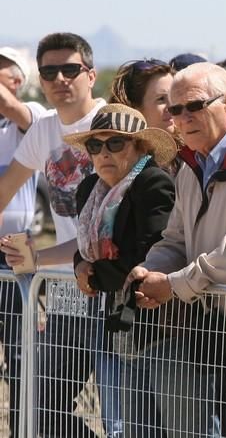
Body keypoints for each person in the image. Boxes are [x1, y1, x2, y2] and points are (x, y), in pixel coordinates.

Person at [127, 62, 226, 437]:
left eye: (193, 106)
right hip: (220, 334)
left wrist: (173, 285)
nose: (182, 118)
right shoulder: (193, 160)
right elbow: (175, 239)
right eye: (174, 110)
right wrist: (149, 271)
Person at [0, 32, 105, 437]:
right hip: (67, 290)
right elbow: (7, 187)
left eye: (70, 69)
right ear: (40, 81)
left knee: (122, 408)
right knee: (39, 404)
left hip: (114, 287)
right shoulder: (44, 128)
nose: (60, 78)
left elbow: (107, 231)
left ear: (90, 74)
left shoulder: (110, 123)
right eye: (49, 71)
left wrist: (38, 258)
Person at [63, 103, 177, 437]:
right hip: (111, 321)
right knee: (125, 421)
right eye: (95, 146)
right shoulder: (89, 188)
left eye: (115, 143)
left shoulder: (153, 183)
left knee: (159, 423)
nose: (103, 153)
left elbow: (151, 255)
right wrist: (80, 266)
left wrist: (93, 274)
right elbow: (83, 248)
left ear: (141, 147)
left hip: (158, 326)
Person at [0, 46, 48, 436]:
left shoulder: (29, 121)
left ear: (17, 83)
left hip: (14, 255)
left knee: (21, 356)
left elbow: (15, 112)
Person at [108, 58, 182, 174]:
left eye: (174, 97)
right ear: (134, 108)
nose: (172, 106)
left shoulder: (191, 157)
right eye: (161, 99)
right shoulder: (110, 162)